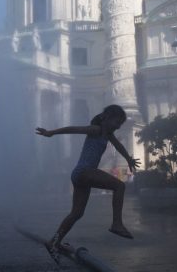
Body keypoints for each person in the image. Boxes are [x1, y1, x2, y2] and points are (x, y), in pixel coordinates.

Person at [35, 104, 140, 264]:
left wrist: (128, 159)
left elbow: (118, 146)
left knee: (77, 213)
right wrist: (51, 133)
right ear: (106, 118)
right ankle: (117, 224)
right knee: (120, 186)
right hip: (85, 171)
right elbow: (73, 129)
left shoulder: (107, 134)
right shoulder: (96, 130)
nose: (118, 126)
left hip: (80, 175)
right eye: (117, 122)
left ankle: (54, 241)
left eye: (120, 123)